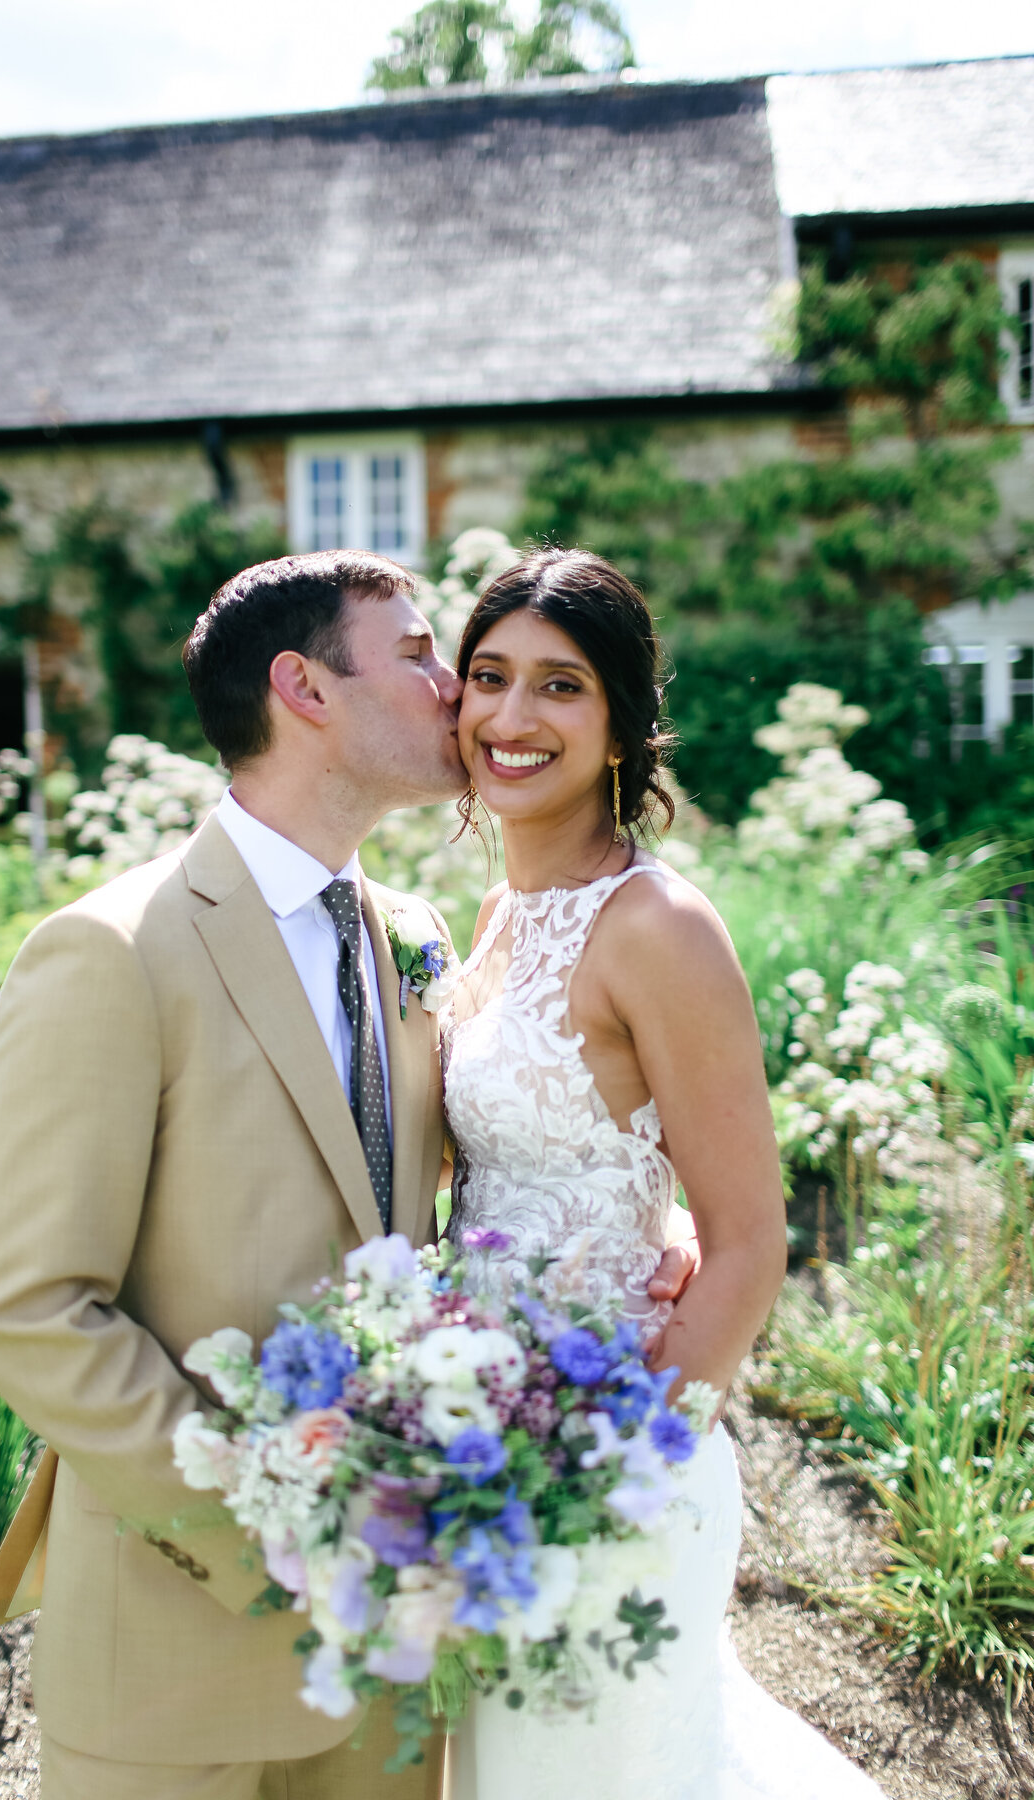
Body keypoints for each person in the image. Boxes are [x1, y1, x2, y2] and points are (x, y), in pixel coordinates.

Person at [0, 548, 698, 1800]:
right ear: (304, 688)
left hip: (396, 1664)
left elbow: (510, 1148)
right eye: (421, 657)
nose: (458, 697)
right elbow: (30, 1309)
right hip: (178, 1659)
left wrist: (651, 1218)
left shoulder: (415, 933)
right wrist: (278, 1537)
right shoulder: (108, 951)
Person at [441, 548, 885, 1800]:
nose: (512, 719)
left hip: (608, 1472)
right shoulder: (494, 917)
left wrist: (609, 1470)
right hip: (482, 1461)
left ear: (624, 725)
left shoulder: (661, 929)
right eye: (488, 677)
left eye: (561, 687)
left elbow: (748, 1241)